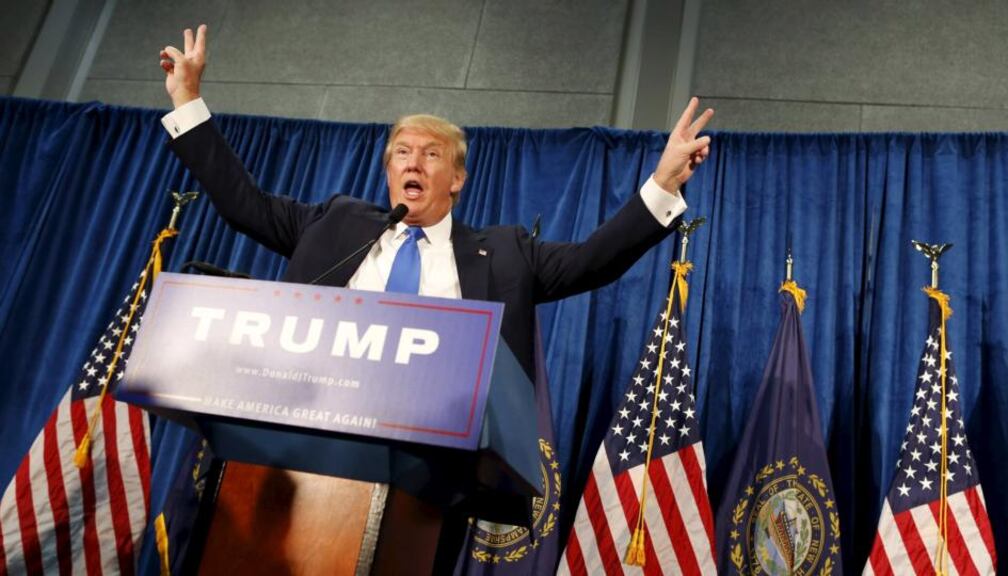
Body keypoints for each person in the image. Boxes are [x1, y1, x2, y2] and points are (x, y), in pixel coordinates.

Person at [159, 24, 713, 574]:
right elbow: (242, 203)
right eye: (401, 152)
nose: (413, 163)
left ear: (456, 178)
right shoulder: (335, 224)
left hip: (429, 487)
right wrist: (188, 101)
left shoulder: (504, 254)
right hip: (294, 460)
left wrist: (662, 184)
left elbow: (594, 259)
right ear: (388, 171)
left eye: (430, 154)